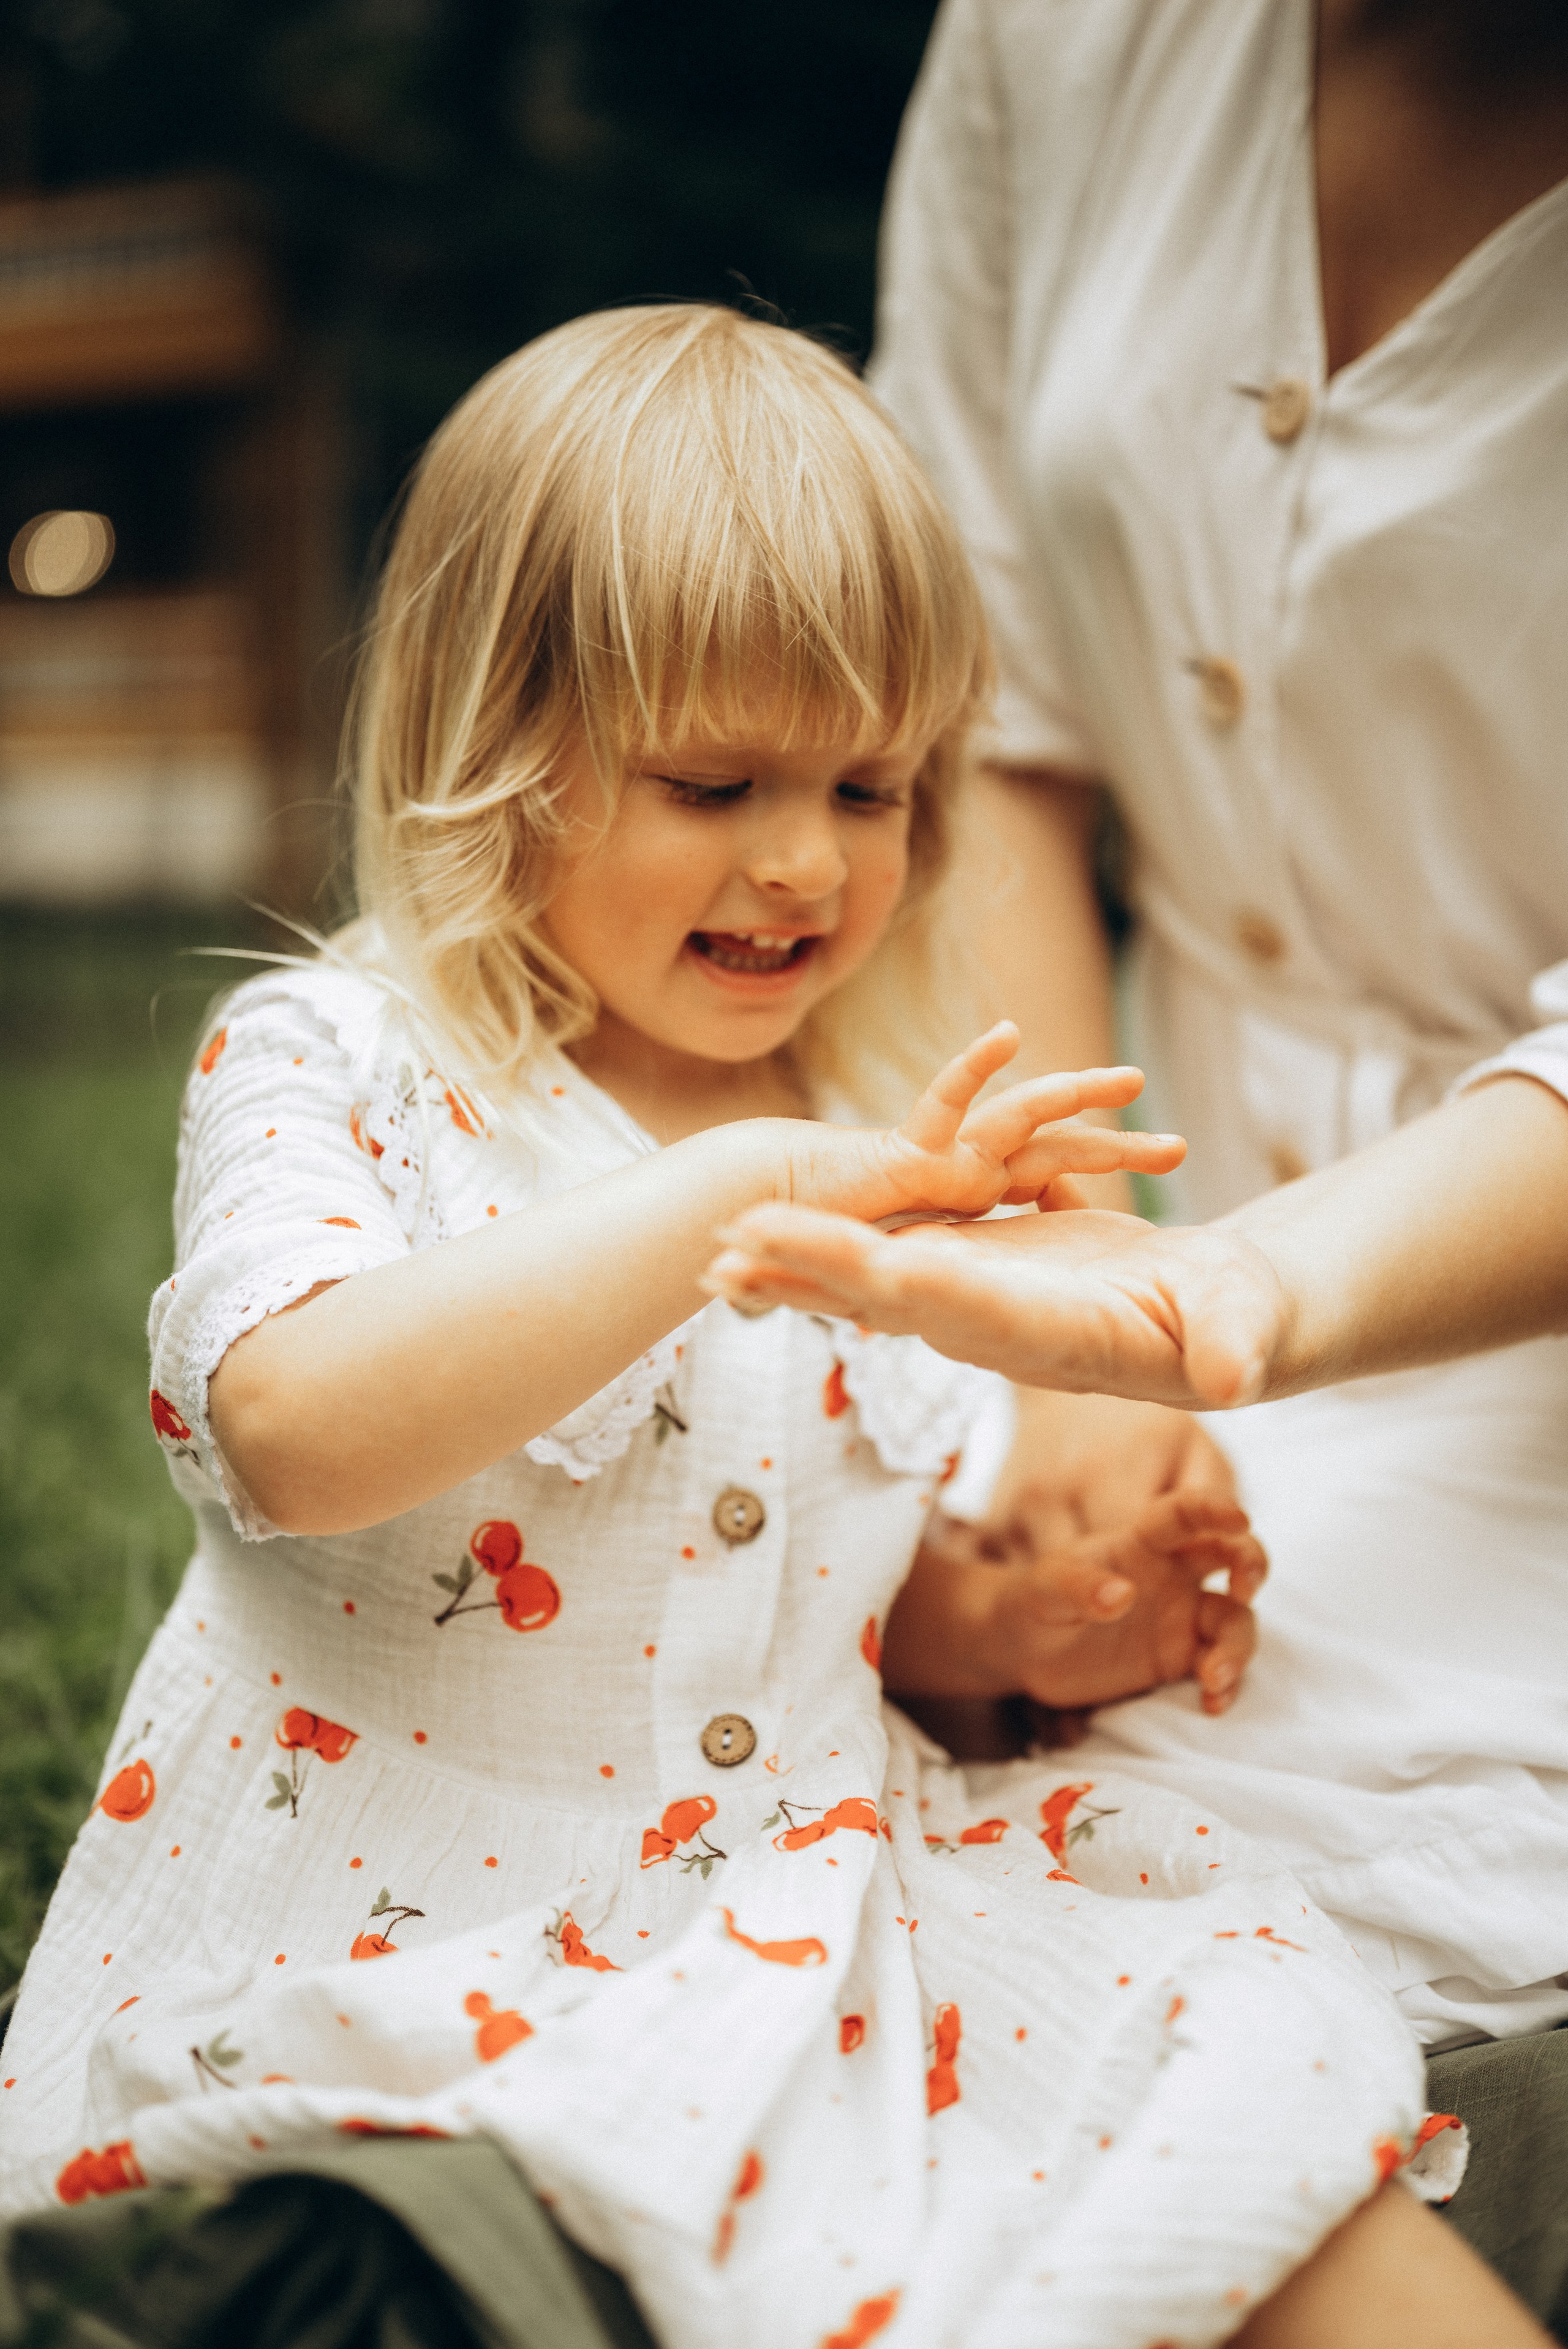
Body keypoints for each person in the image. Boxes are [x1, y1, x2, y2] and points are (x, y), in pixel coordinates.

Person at [0, 304, 1537, 2348]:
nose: (807, 862)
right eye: (713, 781)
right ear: (492, 745)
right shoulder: (345, 1057)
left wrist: (1015, 1632)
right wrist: (726, 1198)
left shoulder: (854, 1132)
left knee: (1236, 2114)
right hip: (434, 1921)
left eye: (875, 786)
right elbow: (292, 1425)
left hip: (812, 1902)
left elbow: (823, 1596)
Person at [780, 0, 1568, 2070]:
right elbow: (977, 710)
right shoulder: (1061, 31)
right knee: (719, 1643)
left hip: (1516, 1320)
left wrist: (1205, 1304)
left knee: (1140, 1886)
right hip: (1128, 1178)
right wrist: (1064, 1289)